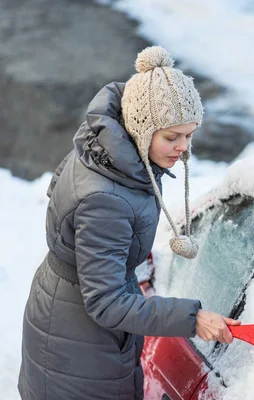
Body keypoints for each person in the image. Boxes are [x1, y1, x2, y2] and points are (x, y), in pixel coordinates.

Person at [18, 46, 240, 399]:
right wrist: (192, 319)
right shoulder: (107, 197)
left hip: (65, 315)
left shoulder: (105, 151)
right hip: (79, 347)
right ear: (141, 128)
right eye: (172, 137)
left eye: (189, 135)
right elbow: (106, 302)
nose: (183, 147)